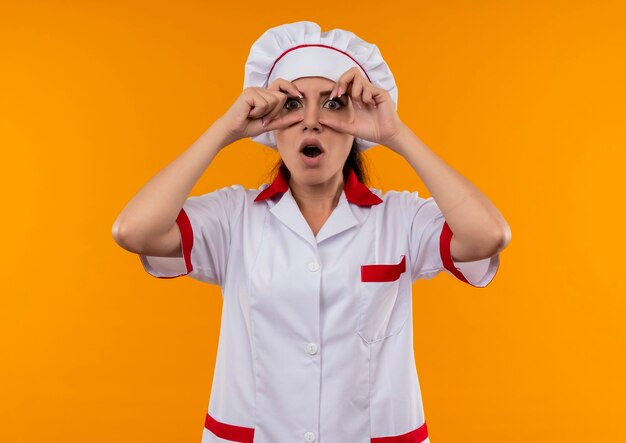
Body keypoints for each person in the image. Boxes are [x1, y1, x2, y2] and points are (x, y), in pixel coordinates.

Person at [112, 21, 511, 443]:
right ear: (269, 121)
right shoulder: (234, 218)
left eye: (334, 105)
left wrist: (397, 134)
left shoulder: (401, 219)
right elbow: (132, 229)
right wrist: (224, 130)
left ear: (358, 124)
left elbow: (488, 235)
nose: (313, 121)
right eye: (293, 105)